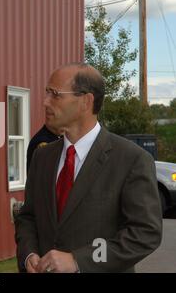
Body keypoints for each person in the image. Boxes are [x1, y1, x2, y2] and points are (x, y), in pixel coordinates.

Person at [15, 63, 162, 273]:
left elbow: (145, 233)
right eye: (47, 93)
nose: (45, 102)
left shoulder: (131, 159)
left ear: (86, 101)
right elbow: (27, 217)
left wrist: (78, 260)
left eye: (55, 94)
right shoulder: (42, 156)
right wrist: (29, 254)